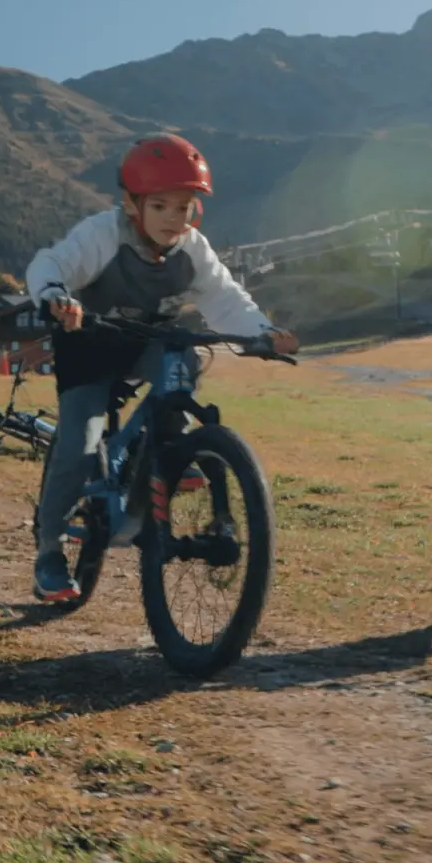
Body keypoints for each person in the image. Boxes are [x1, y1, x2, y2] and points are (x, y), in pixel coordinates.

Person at [23, 133, 300, 602]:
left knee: (185, 355)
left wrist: (264, 332)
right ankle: (50, 550)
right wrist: (55, 297)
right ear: (132, 205)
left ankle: (171, 452)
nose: (175, 218)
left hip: (147, 342)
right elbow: (52, 263)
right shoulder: (102, 234)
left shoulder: (193, 250)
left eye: (184, 206)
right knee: (81, 441)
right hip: (87, 344)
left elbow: (226, 299)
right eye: (161, 206)